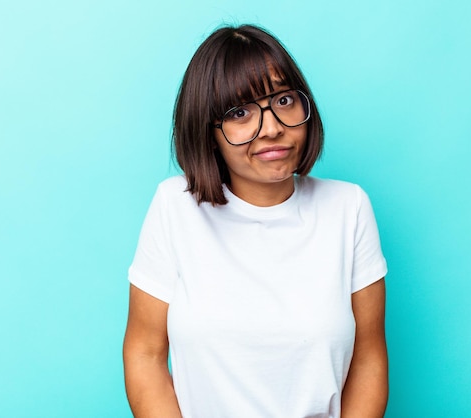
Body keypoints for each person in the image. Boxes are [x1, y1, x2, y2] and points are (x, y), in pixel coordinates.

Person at [123, 24, 388, 418]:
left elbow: (368, 358)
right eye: (240, 112)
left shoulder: (348, 207)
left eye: (283, 100)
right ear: (208, 130)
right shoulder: (173, 207)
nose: (272, 128)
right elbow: (144, 353)